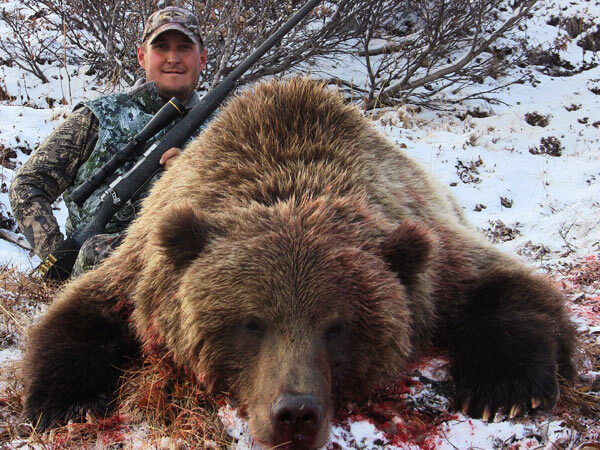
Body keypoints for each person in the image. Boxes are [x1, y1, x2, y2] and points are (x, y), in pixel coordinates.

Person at [9, 6, 208, 279]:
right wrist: (59, 254)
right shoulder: (99, 116)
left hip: (187, 274)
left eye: (185, 47)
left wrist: (195, 182)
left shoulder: (223, 132)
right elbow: (28, 184)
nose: (173, 58)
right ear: (142, 56)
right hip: (100, 279)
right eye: (161, 46)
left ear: (203, 58)